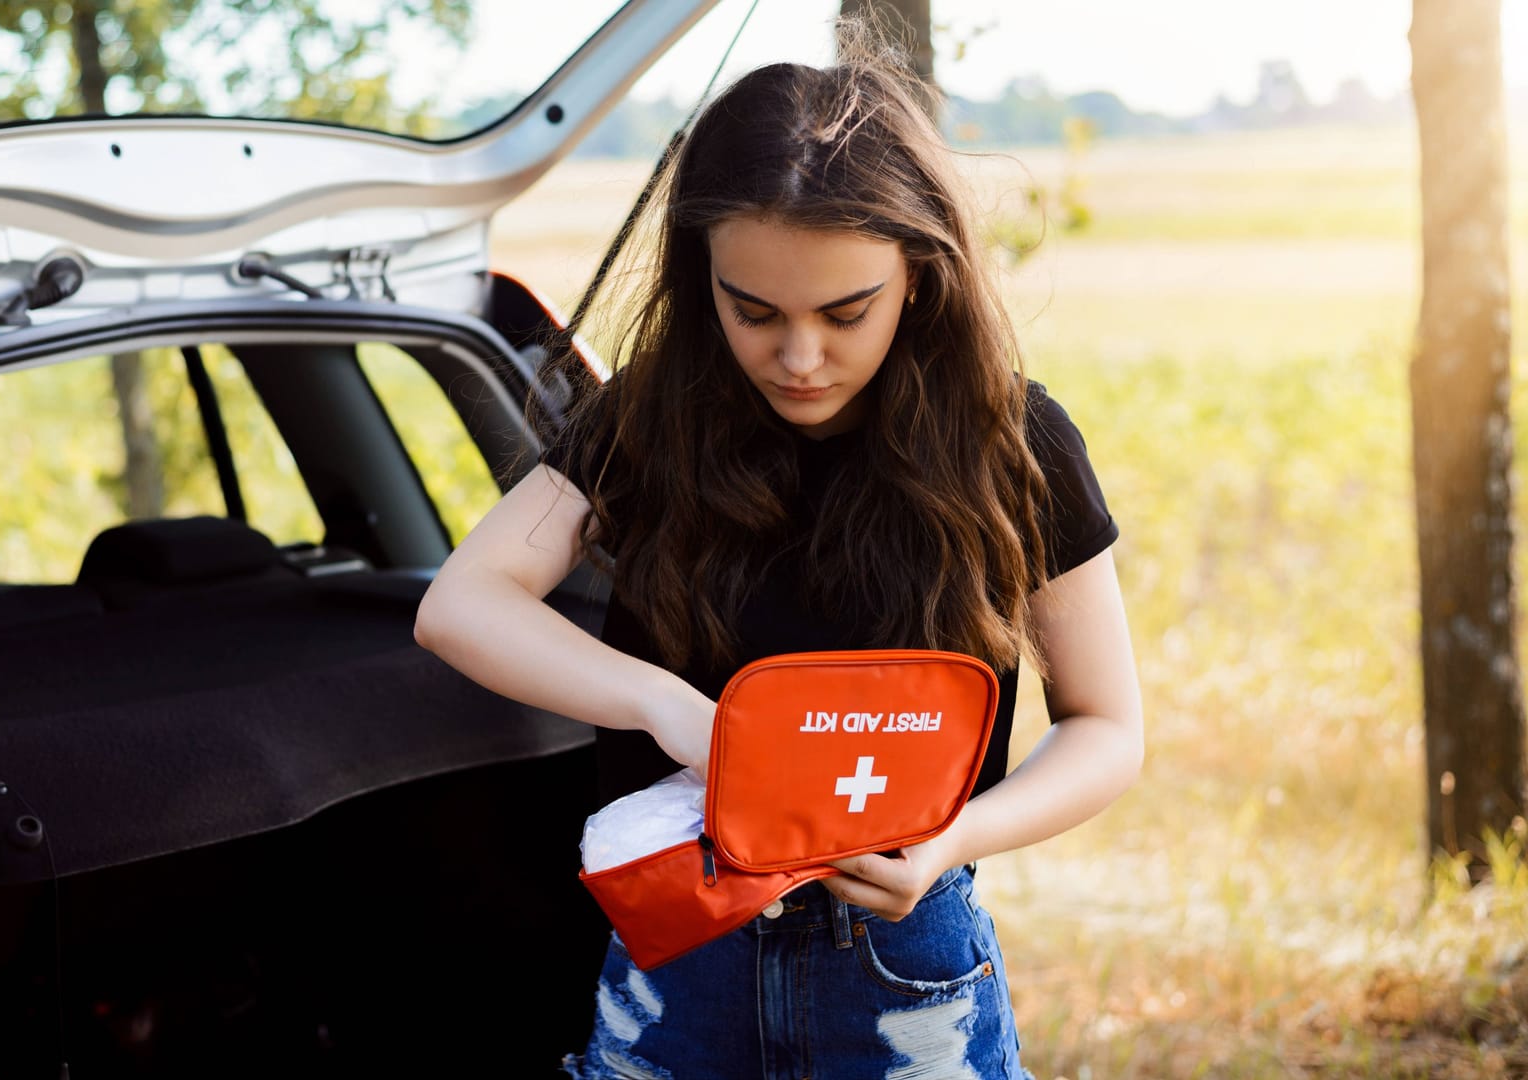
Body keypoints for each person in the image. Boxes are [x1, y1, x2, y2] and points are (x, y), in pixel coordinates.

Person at [412, 26, 1143, 1080]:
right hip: (680, 948)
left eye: (846, 313)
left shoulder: (1012, 443)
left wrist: (950, 843)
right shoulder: (652, 421)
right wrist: (666, 706)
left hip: (901, 968)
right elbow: (463, 605)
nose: (799, 359)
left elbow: (1107, 728)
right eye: (751, 312)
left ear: (921, 273)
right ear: (700, 273)